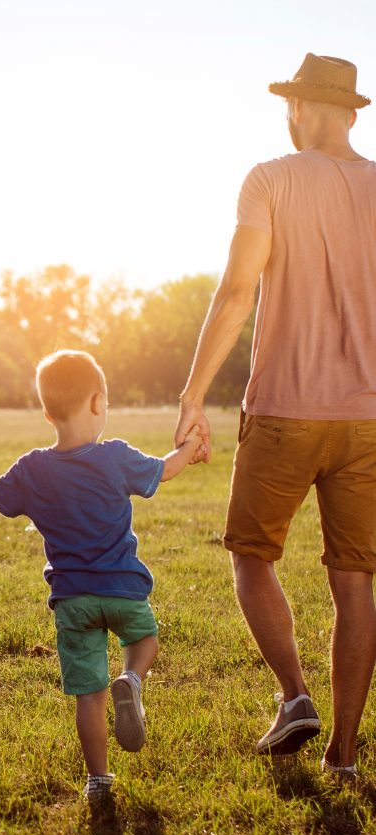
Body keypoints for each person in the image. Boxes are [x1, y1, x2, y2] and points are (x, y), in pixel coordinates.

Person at [175, 53, 376, 778]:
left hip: (284, 409)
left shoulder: (269, 178)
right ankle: (343, 754)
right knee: (355, 582)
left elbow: (236, 293)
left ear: (296, 109)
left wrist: (193, 394)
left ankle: (294, 695)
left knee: (250, 555)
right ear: (349, 112)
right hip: (367, 420)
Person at [0, 350, 202, 800]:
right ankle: (133, 679)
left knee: (90, 694)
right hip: (123, 589)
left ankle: (98, 779)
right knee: (144, 641)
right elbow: (166, 470)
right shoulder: (116, 456)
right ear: (98, 402)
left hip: (73, 600)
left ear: (47, 414)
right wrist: (191, 448)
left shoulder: (33, 469)